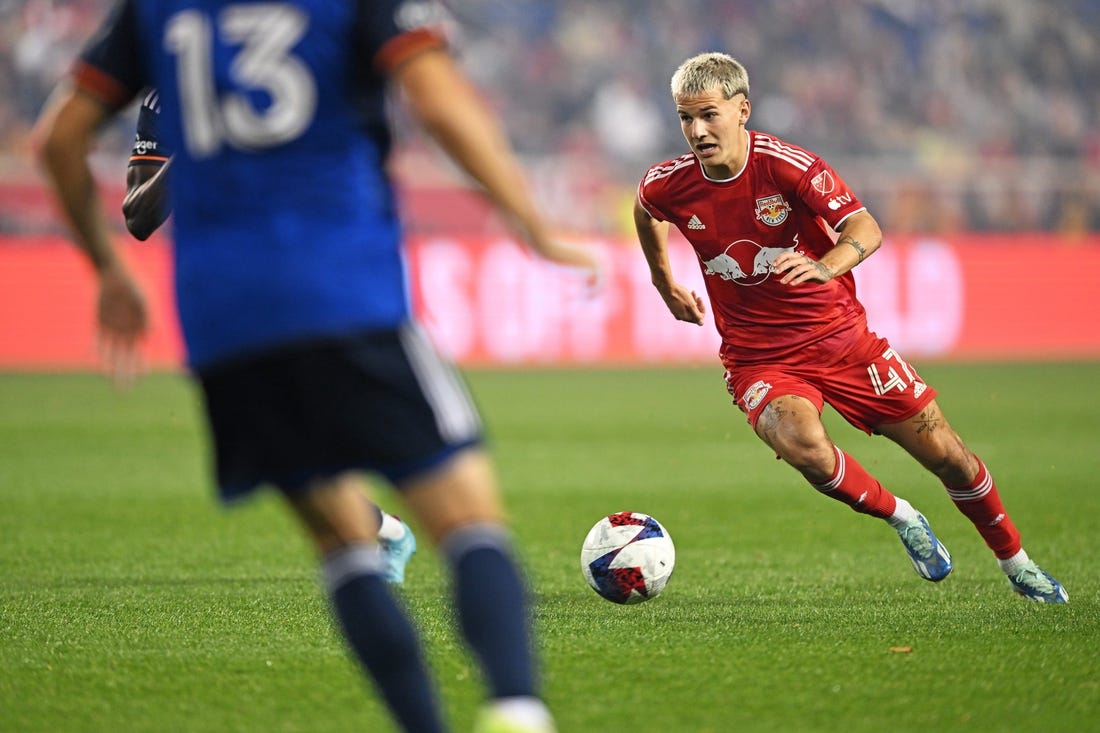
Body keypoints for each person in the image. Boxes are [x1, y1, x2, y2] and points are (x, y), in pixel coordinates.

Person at [34, 1, 599, 731]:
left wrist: (108, 270)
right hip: (343, 286)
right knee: (468, 520)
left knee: (342, 545)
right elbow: (437, 101)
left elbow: (59, 140)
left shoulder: (156, 14)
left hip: (224, 319)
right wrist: (531, 220)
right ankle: (519, 710)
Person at [633, 52, 1067, 603]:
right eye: (685, 119)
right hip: (758, 358)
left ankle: (1016, 561)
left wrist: (825, 266)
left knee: (949, 456)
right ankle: (903, 517)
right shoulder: (669, 184)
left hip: (843, 342)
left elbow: (864, 226)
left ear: (742, 110)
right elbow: (645, 211)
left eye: (709, 115)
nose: (697, 131)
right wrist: (664, 283)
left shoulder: (787, 166)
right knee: (803, 446)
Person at [121, 88, 418, 585]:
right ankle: (379, 529)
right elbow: (138, 215)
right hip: (226, 288)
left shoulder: (294, 61)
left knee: (329, 414)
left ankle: (399, 540)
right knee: (270, 438)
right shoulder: (169, 89)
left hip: (312, 265)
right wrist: (198, 147)